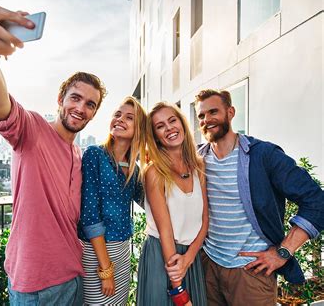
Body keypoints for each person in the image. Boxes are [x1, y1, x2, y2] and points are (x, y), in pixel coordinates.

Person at [0, 4, 107, 305]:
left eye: (90, 104)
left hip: (74, 275)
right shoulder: (32, 130)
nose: (81, 108)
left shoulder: (78, 153)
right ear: (61, 99)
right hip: (35, 283)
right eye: (75, 98)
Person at [194, 89, 324, 305]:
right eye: (201, 115)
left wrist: (283, 252)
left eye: (213, 112)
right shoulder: (197, 159)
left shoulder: (263, 155)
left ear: (230, 112)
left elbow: (316, 201)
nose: (207, 120)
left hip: (251, 273)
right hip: (208, 268)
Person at [136, 102, 209, 306]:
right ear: (155, 136)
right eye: (160, 126)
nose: (169, 128)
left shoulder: (198, 165)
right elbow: (165, 231)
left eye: (172, 120)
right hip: (162, 257)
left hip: (191, 258)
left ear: (182, 123)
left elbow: (205, 220)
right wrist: (178, 290)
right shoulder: (154, 172)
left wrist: (189, 258)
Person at [78, 96, 146, 305]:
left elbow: (149, 202)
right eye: (117, 114)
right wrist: (106, 270)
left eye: (129, 117)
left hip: (123, 250)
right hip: (96, 251)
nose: (120, 119)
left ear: (139, 128)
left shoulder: (133, 167)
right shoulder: (94, 155)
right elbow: (90, 216)